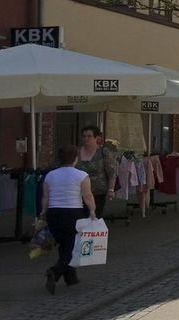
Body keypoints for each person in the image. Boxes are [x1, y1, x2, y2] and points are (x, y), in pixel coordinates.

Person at [40, 145, 97, 294]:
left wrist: (43, 212)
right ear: (76, 158)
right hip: (73, 213)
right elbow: (87, 196)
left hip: (54, 213)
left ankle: (71, 277)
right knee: (73, 248)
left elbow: (45, 197)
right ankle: (55, 271)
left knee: (65, 245)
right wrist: (92, 211)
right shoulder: (81, 175)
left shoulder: (50, 175)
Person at [75, 125, 115, 218]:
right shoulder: (77, 152)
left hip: (98, 191)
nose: (86, 138)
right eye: (84, 136)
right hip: (78, 191)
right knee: (80, 218)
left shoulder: (103, 152)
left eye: (89, 136)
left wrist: (111, 189)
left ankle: (93, 232)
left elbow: (111, 172)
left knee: (94, 217)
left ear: (97, 138)